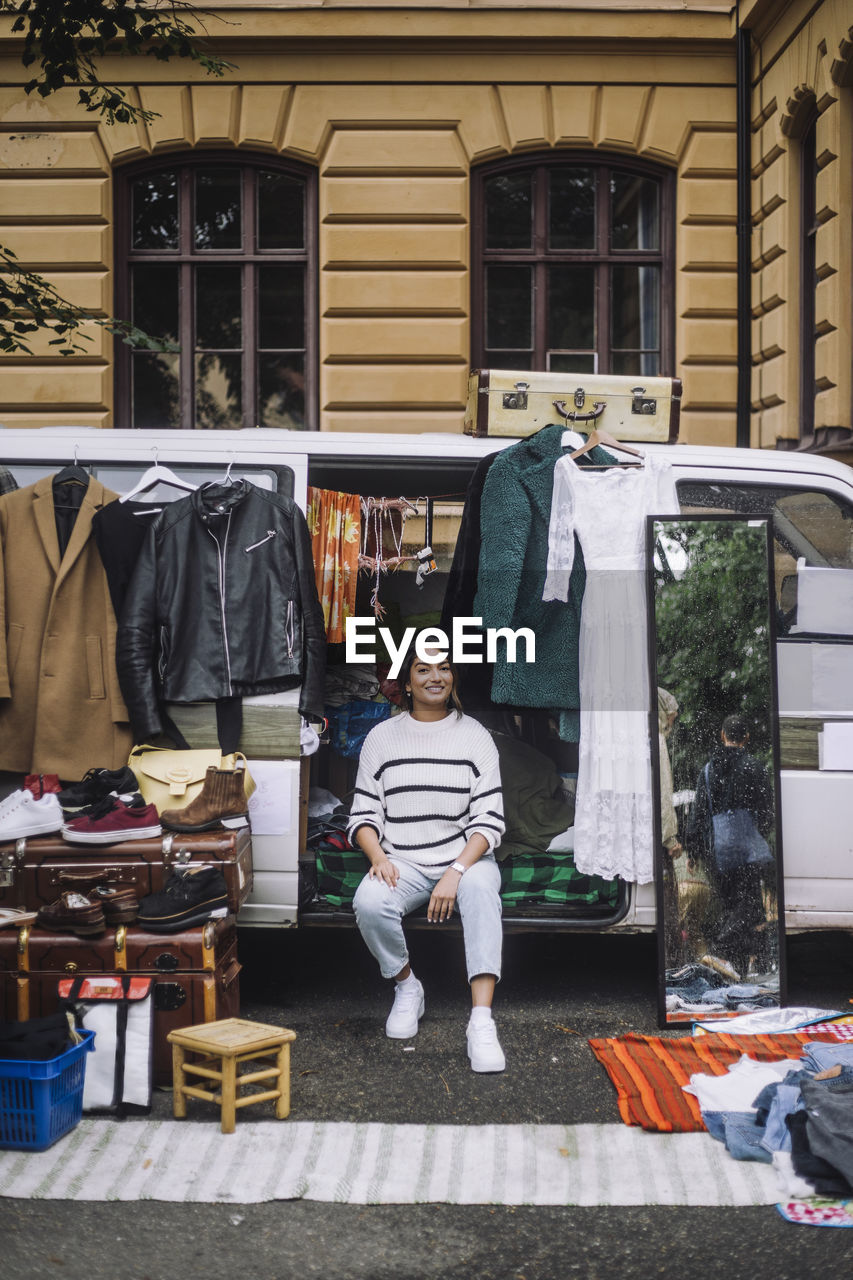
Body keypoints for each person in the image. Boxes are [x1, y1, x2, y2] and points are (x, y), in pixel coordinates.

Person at [347, 646, 507, 1072]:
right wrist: (377, 855)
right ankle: (407, 987)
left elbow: (490, 821)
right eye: (423, 668)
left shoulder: (475, 736)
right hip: (405, 861)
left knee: (479, 891)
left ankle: (481, 1021)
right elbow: (363, 815)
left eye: (445, 668)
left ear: (453, 678)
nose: (435, 676)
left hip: (465, 859)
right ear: (407, 680)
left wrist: (456, 871)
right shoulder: (382, 738)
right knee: (369, 901)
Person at [686, 712, 774, 982]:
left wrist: (693, 850)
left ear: (723, 736)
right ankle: (720, 951)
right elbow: (767, 811)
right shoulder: (755, 767)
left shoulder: (708, 769)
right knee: (749, 908)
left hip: (716, 850)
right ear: (745, 738)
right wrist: (757, 832)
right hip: (745, 850)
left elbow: (699, 812)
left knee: (731, 907)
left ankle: (734, 973)